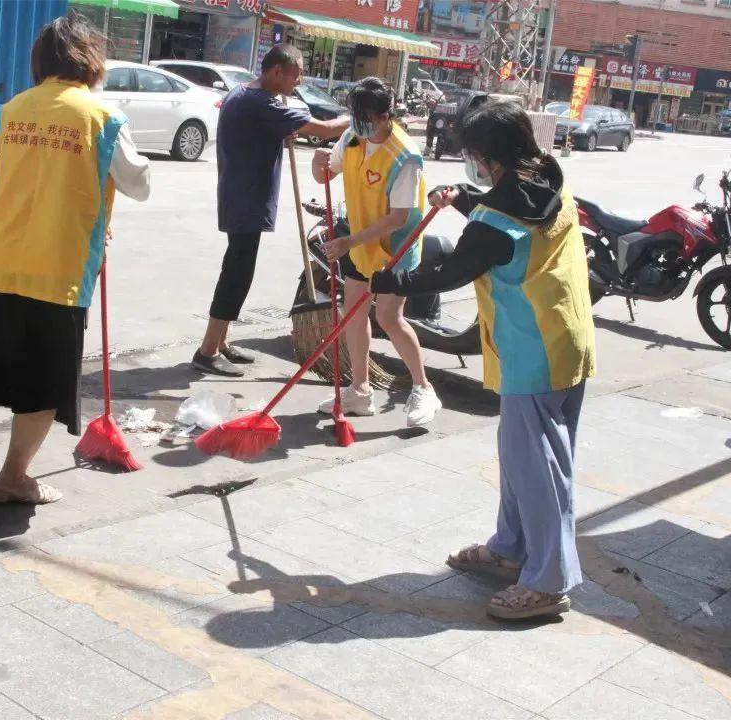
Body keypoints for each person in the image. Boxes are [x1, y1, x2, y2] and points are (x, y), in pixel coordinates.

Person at [371, 100, 596, 620]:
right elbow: (508, 215)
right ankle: (511, 547)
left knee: (539, 469)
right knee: (525, 458)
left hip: (534, 350)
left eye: (473, 155)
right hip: (564, 337)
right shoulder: (548, 176)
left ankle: (547, 581)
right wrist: (467, 199)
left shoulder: (496, 220)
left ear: (488, 155)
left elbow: (451, 271)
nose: (471, 163)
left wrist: (390, 282)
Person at [0, 13, 151, 517]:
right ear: (91, 59)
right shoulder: (101, 116)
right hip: (58, 271)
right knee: (42, 387)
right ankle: (12, 478)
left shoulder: (12, 109)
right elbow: (138, 182)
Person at [191, 44, 349, 377]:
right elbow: (327, 129)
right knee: (236, 272)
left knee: (238, 268)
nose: (299, 79)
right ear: (277, 72)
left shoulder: (242, 93)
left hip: (241, 192)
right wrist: (363, 115)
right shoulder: (262, 101)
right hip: (247, 196)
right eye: (296, 72)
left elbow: (256, 131)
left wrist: (279, 132)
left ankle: (220, 343)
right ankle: (207, 350)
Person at [315, 77, 442, 429]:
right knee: (352, 316)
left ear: (386, 116)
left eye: (365, 117)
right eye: (354, 114)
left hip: (394, 249)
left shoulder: (405, 157)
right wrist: (318, 162)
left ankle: (423, 387)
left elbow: (397, 218)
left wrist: (347, 243)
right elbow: (325, 175)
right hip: (359, 245)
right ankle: (359, 391)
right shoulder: (352, 137)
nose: (357, 123)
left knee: (388, 318)